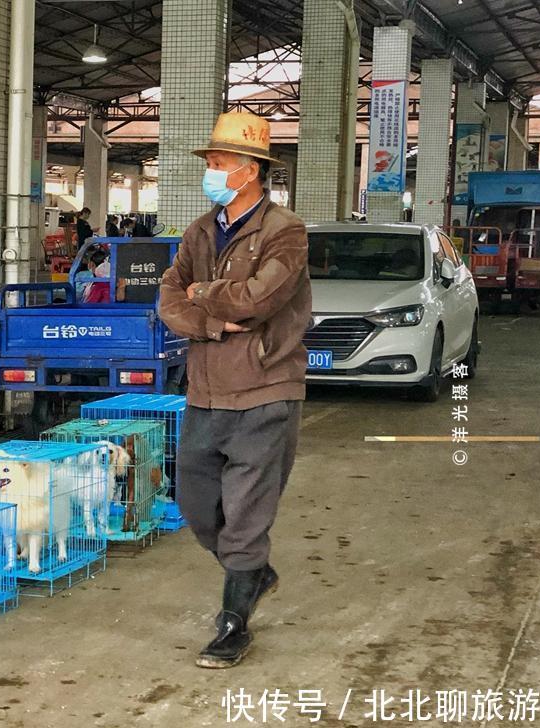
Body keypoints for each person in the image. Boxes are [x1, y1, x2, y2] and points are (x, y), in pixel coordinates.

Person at [158, 111, 310, 669]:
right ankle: (253, 572)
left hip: (266, 387)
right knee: (194, 500)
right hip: (205, 389)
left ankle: (232, 621)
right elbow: (169, 301)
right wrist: (211, 320)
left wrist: (205, 291)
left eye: (218, 163)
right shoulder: (200, 230)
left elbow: (259, 299)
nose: (211, 171)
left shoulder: (284, 232)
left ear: (248, 172)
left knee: (246, 509)